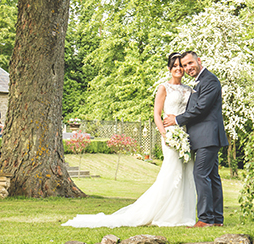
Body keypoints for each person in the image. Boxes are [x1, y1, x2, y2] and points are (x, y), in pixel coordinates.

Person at [63, 53, 196, 228]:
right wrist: (165, 135)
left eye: (181, 65)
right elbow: (157, 114)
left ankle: (181, 214)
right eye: (175, 66)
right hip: (170, 134)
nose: (179, 69)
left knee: (186, 172)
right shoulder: (164, 88)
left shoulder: (189, 90)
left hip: (184, 135)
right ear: (169, 68)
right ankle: (161, 213)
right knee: (172, 173)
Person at [164, 51, 229, 227]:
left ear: (199, 61)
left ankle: (205, 219)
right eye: (185, 65)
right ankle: (216, 219)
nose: (188, 68)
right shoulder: (200, 81)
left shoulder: (210, 81)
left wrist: (177, 120)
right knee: (212, 177)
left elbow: (201, 108)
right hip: (205, 138)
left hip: (207, 137)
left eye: (190, 63)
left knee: (201, 175)